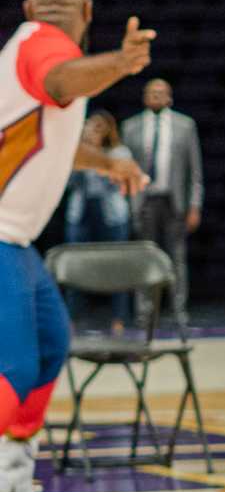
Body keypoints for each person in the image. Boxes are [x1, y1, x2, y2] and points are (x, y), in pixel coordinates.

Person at [0, 0, 155, 492]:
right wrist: (121, 63)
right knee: (12, 371)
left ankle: (13, 487)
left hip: (14, 241)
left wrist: (107, 162)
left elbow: (53, 144)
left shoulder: (30, 47)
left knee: (48, 346)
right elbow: (63, 80)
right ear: (87, 12)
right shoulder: (45, 49)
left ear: (27, 5)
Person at [120, 77, 203, 323]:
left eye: (161, 92)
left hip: (173, 199)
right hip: (144, 200)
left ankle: (179, 310)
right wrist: (127, 202)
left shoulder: (185, 126)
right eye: (151, 92)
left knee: (176, 257)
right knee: (144, 257)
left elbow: (194, 170)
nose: (156, 96)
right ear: (145, 97)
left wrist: (194, 205)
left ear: (169, 97)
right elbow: (124, 169)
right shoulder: (131, 127)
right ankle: (145, 310)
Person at [61, 110, 134, 335]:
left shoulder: (119, 152)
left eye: (99, 127)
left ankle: (119, 318)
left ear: (109, 130)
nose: (94, 131)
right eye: (91, 127)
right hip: (81, 213)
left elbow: (119, 181)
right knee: (74, 266)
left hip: (111, 215)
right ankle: (71, 318)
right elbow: (69, 182)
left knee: (117, 266)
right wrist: (85, 151)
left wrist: (96, 157)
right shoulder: (76, 152)